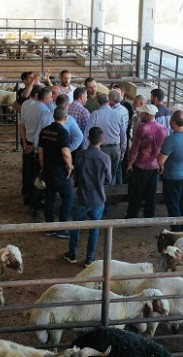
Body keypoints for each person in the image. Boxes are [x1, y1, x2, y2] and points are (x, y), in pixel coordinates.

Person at [64, 126, 112, 267]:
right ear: (102, 140)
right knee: (94, 229)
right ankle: (89, 258)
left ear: (88, 138)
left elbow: (76, 178)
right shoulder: (105, 158)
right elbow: (108, 180)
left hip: (82, 197)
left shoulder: (80, 155)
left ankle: (72, 253)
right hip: (98, 199)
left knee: (76, 226)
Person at [158, 111, 183, 232]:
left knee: (173, 204)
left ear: (174, 123)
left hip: (174, 177)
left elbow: (160, 160)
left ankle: (176, 231)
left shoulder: (171, 139)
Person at [126, 104, 168, 219]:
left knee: (137, 193)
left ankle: (132, 216)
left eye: (143, 113)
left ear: (148, 115)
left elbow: (135, 148)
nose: (141, 115)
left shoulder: (142, 128)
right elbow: (164, 149)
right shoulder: (163, 129)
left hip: (141, 165)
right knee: (151, 193)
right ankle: (149, 216)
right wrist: (161, 164)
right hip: (155, 165)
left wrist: (129, 164)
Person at [38, 107, 74, 239]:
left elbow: (40, 152)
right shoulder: (63, 132)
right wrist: (70, 166)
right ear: (65, 118)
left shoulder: (44, 131)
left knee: (50, 197)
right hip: (59, 170)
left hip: (47, 168)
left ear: (54, 116)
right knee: (68, 196)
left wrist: (42, 167)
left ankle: (49, 227)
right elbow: (65, 152)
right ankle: (62, 228)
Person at [19, 86, 52, 216]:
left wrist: (25, 143)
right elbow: (41, 131)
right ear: (45, 98)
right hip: (37, 146)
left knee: (28, 172)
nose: (51, 99)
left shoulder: (29, 106)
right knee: (37, 175)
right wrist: (35, 146)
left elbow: (22, 125)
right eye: (50, 97)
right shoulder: (45, 111)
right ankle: (35, 202)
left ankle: (27, 198)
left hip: (28, 142)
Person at [82, 93, 126, 186]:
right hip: (115, 149)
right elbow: (123, 134)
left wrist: (85, 150)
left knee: (98, 175)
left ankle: (100, 196)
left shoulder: (95, 114)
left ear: (98, 103)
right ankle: (110, 197)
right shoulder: (118, 114)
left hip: (99, 149)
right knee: (112, 176)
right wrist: (122, 150)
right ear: (109, 101)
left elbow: (87, 133)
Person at [108, 90, 129, 184]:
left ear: (111, 99)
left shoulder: (112, 112)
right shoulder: (124, 110)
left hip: (114, 143)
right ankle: (118, 189)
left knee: (111, 171)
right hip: (121, 144)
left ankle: (111, 192)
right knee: (118, 169)